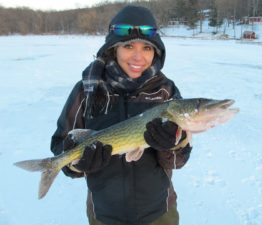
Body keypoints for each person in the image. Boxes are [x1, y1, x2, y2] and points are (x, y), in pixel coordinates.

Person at [50, 5, 192, 225]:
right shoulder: (86, 90)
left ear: (156, 51)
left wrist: (171, 145)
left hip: (160, 212)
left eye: (147, 48)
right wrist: (78, 163)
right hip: (104, 214)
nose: (138, 57)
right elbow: (61, 143)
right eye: (128, 46)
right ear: (113, 48)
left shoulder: (166, 91)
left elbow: (178, 160)